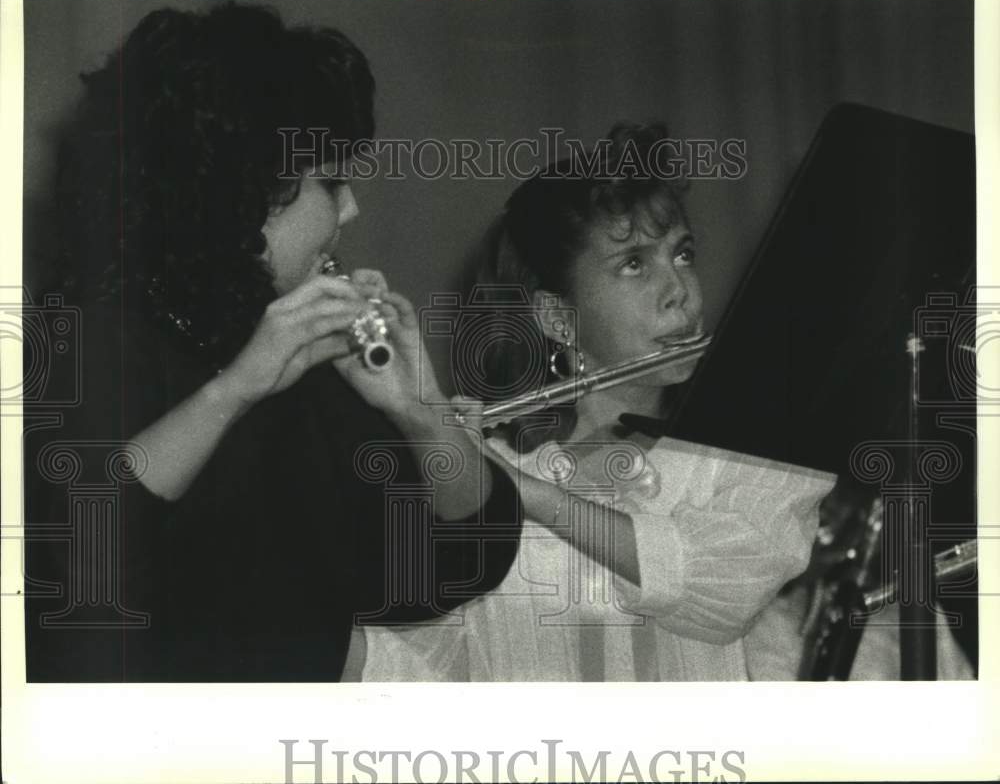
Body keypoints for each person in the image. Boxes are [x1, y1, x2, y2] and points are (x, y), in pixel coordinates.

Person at [360, 122, 972, 682]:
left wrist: (508, 490)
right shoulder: (470, 475)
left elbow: (723, 586)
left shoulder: (748, 455)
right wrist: (424, 431)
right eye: (633, 264)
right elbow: (409, 664)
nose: (679, 289)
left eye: (683, 252)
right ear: (555, 315)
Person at [24, 2, 520, 682]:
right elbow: (79, 573)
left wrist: (418, 409)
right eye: (331, 180)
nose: (351, 208)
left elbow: (453, 567)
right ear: (245, 188)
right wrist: (235, 389)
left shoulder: (304, 361)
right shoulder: (86, 344)